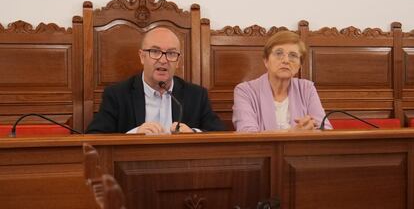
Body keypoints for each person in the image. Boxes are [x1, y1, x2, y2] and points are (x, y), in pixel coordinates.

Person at [86, 27, 226, 134]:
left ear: (178, 61)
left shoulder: (196, 95)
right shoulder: (117, 95)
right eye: (155, 52)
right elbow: (94, 137)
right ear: (142, 57)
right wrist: (134, 134)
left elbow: (220, 134)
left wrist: (193, 133)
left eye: (171, 53)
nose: (163, 60)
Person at [232, 31, 332, 131]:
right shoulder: (245, 91)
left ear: (300, 65)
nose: (286, 60)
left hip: (303, 147)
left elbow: (326, 129)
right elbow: (247, 134)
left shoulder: (307, 88)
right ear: (266, 61)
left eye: (293, 55)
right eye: (279, 53)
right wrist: (293, 134)